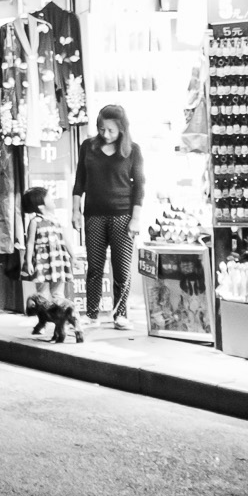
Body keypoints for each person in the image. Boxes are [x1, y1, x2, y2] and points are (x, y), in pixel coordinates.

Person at [73, 103, 146, 330]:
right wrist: (75, 211)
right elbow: (79, 181)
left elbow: (140, 187)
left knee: (122, 268)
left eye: (111, 130)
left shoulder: (132, 150)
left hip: (123, 216)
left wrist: (136, 218)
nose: (106, 134)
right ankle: (91, 314)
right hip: (93, 214)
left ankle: (120, 315)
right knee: (94, 267)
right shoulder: (88, 147)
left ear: (122, 128)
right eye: (102, 129)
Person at [20, 186, 81, 343]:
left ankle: (60, 324)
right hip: (42, 263)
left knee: (58, 295)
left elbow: (65, 240)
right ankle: (43, 323)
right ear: (41, 206)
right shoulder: (35, 222)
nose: (53, 200)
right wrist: (28, 261)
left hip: (58, 262)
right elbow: (30, 242)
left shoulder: (57, 220)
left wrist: (73, 257)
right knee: (42, 296)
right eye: (49, 198)